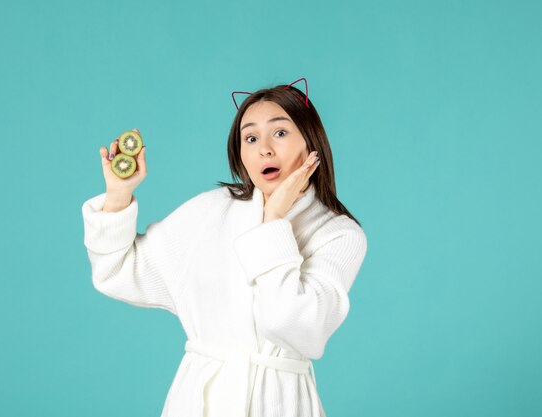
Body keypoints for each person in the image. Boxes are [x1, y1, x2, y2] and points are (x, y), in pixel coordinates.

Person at [81, 77, 368, 417]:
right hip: (199, 399)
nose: (265, 149)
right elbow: (119, 271)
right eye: (250, 137)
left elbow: (292, 324)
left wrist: (273, 222)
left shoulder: (338, 234)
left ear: (311, 142)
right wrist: (118, 194)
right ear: (240, 153)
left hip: (280, 402)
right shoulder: (211, 210)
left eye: (279, 133)